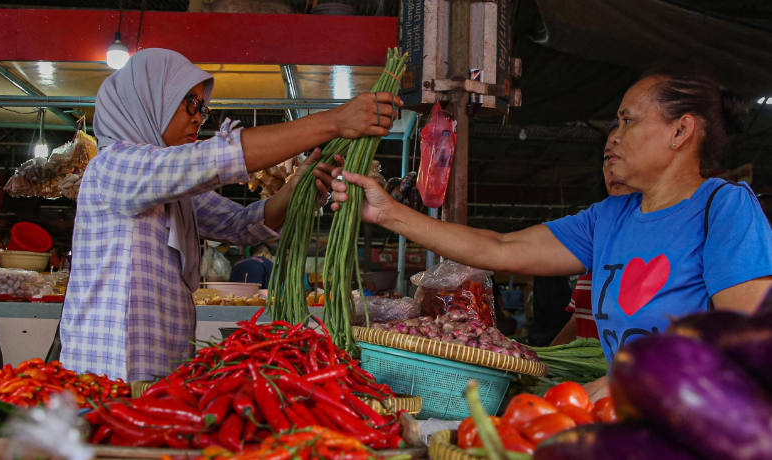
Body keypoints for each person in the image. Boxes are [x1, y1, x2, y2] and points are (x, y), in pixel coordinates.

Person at [331, 63, 772, 401]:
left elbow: (747, 341)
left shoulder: (724, 207)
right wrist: (389, 214)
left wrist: (637, 378)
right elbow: (502, 248)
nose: (612, 138)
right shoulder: (610, 216)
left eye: (628, 121)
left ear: (681, 130)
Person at [60, 48, 401, 381]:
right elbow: (211, 159)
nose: (197, 116)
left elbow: (241, 225)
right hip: (107, 372)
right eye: (189, 102)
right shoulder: (114, 166)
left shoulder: (173, 195)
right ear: (147, 101)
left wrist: (296, 188)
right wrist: (334, 122)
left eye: (203, 108)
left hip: (162, 371)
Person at [551, 129, 635, 346]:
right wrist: (542, 361)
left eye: (622, 155)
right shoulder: (596, 235)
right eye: (607, 158)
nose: (612, 167)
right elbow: (578, 320)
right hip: (587, 377)